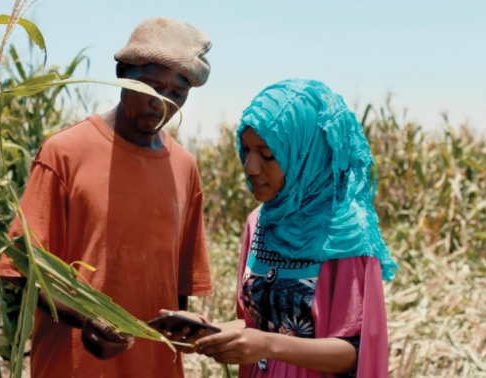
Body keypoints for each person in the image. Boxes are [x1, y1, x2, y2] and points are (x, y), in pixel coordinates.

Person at [0, 17, 214, 378]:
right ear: (121, 72)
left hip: (153, 367)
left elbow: (178, 285)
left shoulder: (184, 167)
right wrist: (85, 319)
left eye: (176, 93)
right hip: (73, 365)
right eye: (150, 87)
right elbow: (21, 265)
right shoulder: (65, 152)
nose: (160, 104)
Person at [161, 78, 399, 377]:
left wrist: (269, 345)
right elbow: (257, 327)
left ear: (305, 154)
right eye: (246, 150)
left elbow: (357, 352)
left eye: (267, 154)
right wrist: (209, 333)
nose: (249, 167)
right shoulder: (259, 222)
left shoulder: (345, 232)